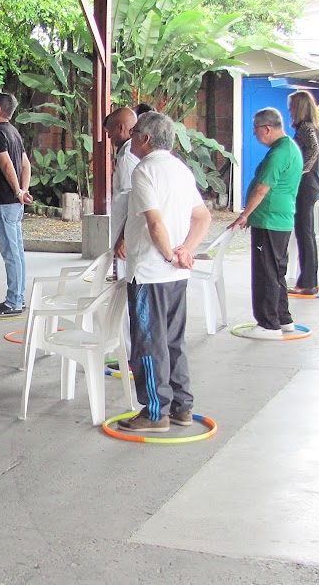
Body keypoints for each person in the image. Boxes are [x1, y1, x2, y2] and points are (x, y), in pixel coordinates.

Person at [114, 112, 212, 433]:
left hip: (150, 273)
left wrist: (171, 252)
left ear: (145, 139)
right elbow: (203, 218)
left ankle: (155, 412)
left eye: (135, 132)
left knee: (147, 343)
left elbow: (155, 223)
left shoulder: (145, 171)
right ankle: (183, 406)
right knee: (173, 340)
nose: (130, 137)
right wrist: (186, 250)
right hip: (175, 276)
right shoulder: (180, 170)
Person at [228, 107, 303, 340]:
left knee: (266, 272)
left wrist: (244, 214)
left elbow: (262, 188)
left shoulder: (280, 153)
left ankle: (268, 324)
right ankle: (283, 318)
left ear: (267, 128)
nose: (254, 134)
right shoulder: (289, 148)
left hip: (269, 219)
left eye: (256, 129)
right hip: (279, 219)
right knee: (276, 270)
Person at [0, 92, 32, 317]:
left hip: (3, 201)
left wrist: (17, 190)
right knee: (17, 251)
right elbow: (26, 164)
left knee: (11, 252)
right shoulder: (14, 133)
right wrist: (23, 191)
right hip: (13, 202)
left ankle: (13, 301)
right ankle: (18, 297)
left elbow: (6, 164)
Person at [287, 90, 319, 296]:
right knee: (306, 232)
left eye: (292, 106)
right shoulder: (315, 128)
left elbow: (313, 150)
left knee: (304, 232)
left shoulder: (305, 128)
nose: (290, 110)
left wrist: (301, 171)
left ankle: (308, 282)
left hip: (305, 183)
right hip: (312, 182)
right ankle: (308, 279)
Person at [105, 107, 139, 280]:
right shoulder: (131, 152)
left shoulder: (128, 157)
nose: (109, 136)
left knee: (125, 282)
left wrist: (123, 237)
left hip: (127, 232)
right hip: (127, 229)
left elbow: (132, 201)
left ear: (121, 127)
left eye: (110, 130)